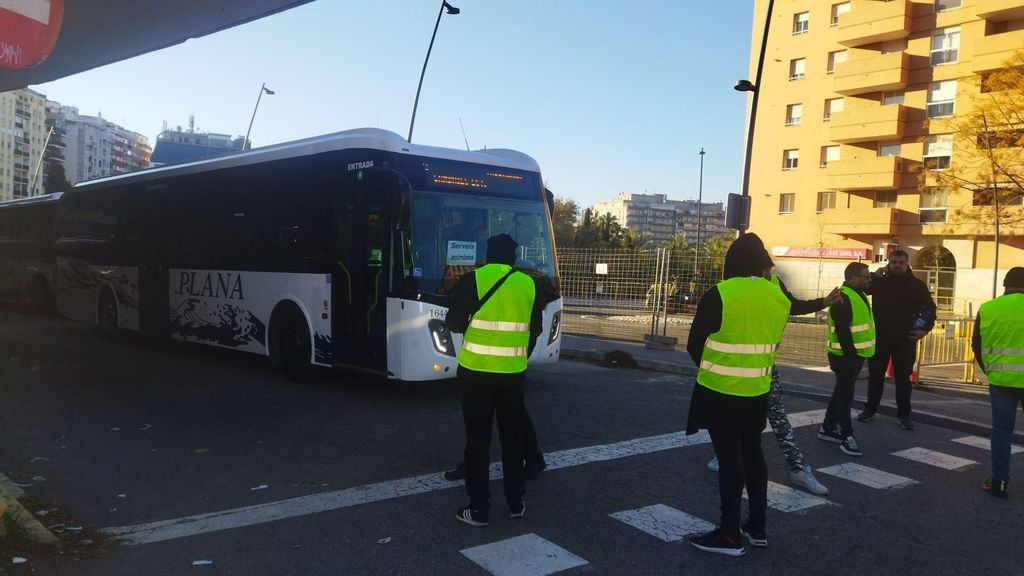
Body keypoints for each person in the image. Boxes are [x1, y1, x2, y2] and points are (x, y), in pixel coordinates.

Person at [685, 233, 791, 557]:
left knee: (730, 461)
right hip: (757, 392)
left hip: (721, 392)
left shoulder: (720, 294)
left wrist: (717, 367)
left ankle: (729, 535)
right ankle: (757, 527)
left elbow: (694, 345)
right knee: (754, 456)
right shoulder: (778, 298)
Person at [445, 234, 546, 527]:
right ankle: (516, 502)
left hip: (476, 373)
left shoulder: (473, 279)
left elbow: (453, 322)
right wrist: (519, 355)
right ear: (514, 257)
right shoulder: (528, 284)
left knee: (478, 441)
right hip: (512, 374)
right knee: (511, 439)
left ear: (488, 255)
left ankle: (479, 509)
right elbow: (535, 328)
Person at [708, 274, 839, 495]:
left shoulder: (774, 282)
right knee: (738, 415)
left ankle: (797, 467)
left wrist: (822, 302)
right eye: (765, 262)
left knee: (776, 417)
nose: (769, 266)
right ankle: (726, 455)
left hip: (763, 365)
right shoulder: (735, 281)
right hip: (735, 364)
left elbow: (792, 305)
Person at [857, 250, 936, 430]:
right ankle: (870, 410)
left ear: (907, 263)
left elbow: (930, 310)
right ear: (888, 263)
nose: (897, 265)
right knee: (875, 377)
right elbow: (859, 287)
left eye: (901, 262)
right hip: (880, 339)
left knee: (903, 379)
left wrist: (924, 330)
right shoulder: (878, 283)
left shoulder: (917, 286)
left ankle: (904, 415)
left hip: (905, 340)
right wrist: (874, 275)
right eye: (893, 262)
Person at [972, 266, 1024, 498]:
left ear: (1004, 285)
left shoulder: (988, 308)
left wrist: (991, 370)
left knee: (1002, 432)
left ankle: (999, 482)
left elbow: (977, 344)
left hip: (1001, 381)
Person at [817, 262, 874, 457]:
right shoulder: (843, 298)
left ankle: (827, 427)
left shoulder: (858, 294)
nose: (869, 280)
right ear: (854, 278)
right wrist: (851, 356)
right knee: (845, 396)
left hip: (852, 356)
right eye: (866, 277)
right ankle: (846, 435)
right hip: (845, 356)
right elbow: (842, 330)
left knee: (841, 391)